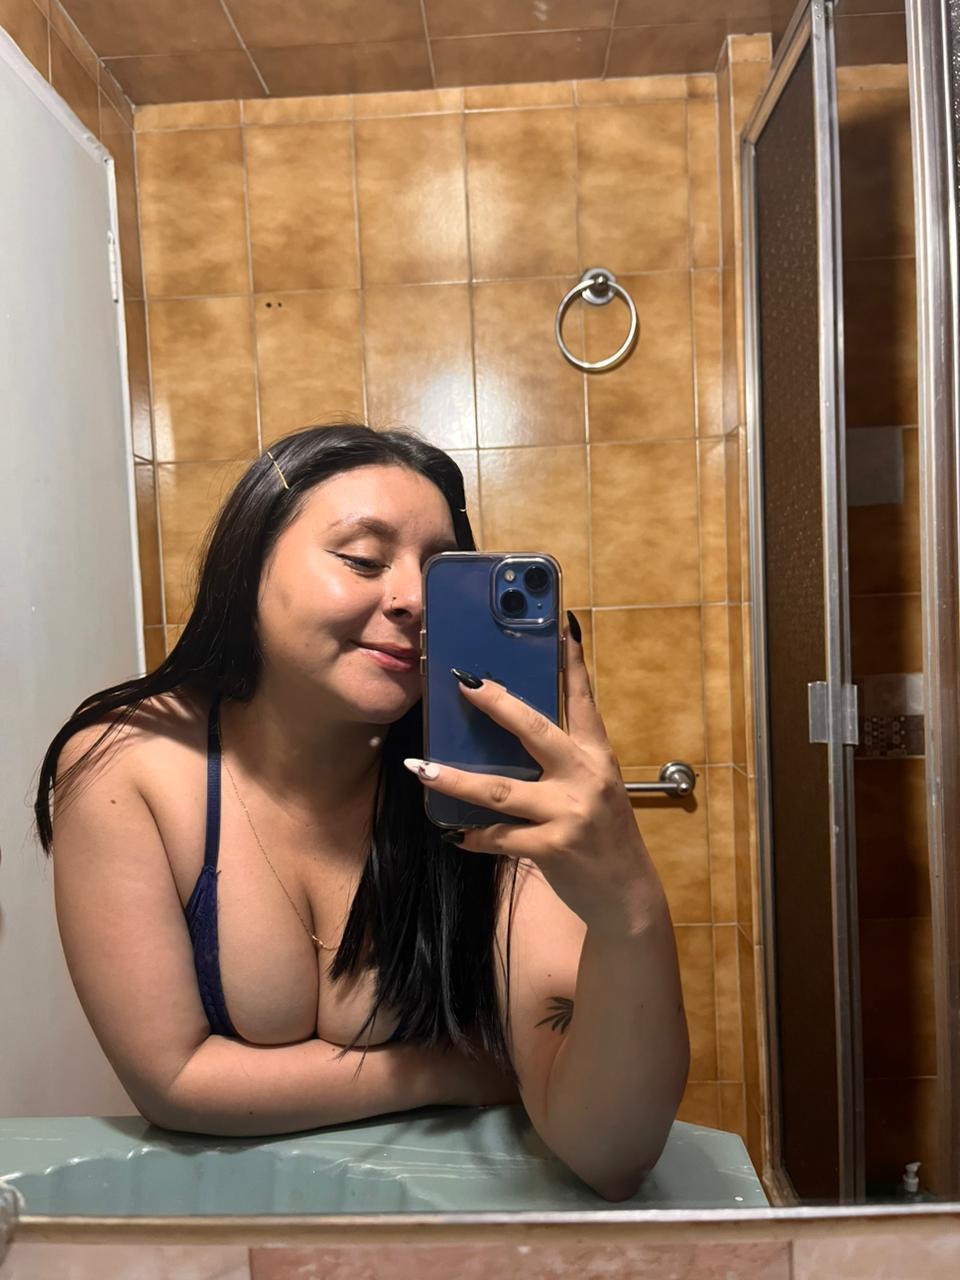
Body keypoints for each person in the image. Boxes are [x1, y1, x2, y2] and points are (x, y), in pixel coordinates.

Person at [35, 423, 689, 1201]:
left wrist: (628, 911)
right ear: (247, 568)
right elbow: (174, 1082)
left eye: (437, 571)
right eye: (363, 559)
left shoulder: (487, 785)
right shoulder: (128, 768)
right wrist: (445, 1072)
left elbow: (608, 1154)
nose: (413, 600)